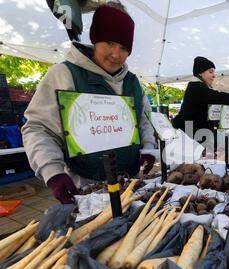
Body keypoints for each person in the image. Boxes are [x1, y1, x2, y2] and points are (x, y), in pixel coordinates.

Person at [22, 3, 157, 204]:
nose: (116, 54)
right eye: (110, 43)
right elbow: (38, 128)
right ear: (95, 39)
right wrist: (53, 172)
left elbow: (145, 122)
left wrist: (148, 148)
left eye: (123, 48)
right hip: (85, 187)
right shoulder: (64, 74)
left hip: (131, 187)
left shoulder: (133, 82)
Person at [172, 56, 229, 137]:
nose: (214, 75)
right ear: (200, 73)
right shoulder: (196, 88)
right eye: (210, 72)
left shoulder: (199, 88)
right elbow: (222, 98)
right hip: (187, 136)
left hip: (194, 135)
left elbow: (222, 106)